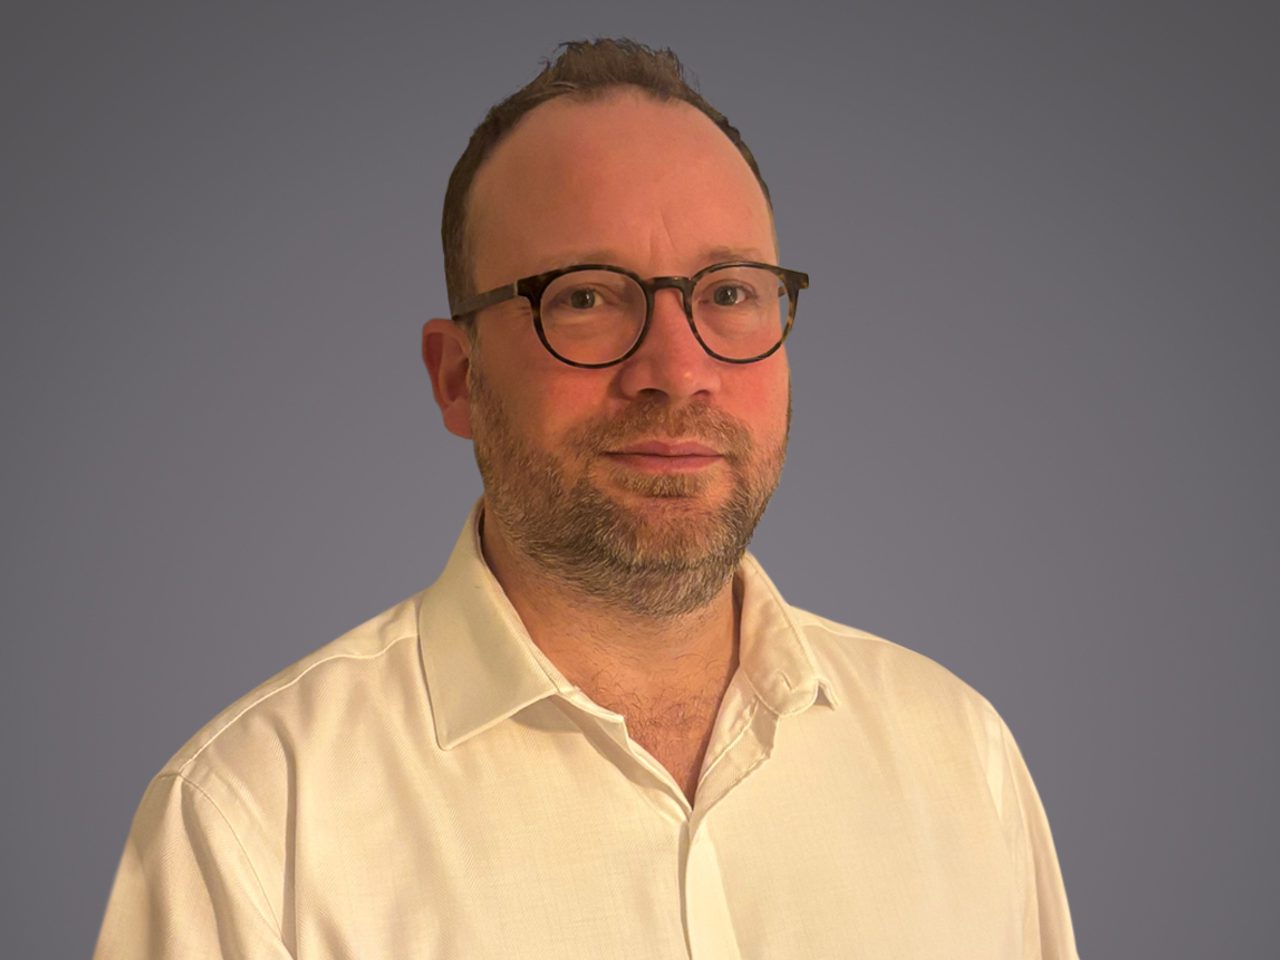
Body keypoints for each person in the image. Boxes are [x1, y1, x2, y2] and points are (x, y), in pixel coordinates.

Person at [94, 39, 1078, 959]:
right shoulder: (255, 823)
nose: (677, 369)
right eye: (585, 295)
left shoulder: (960, 760)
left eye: (728, 292)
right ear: (455, 378)